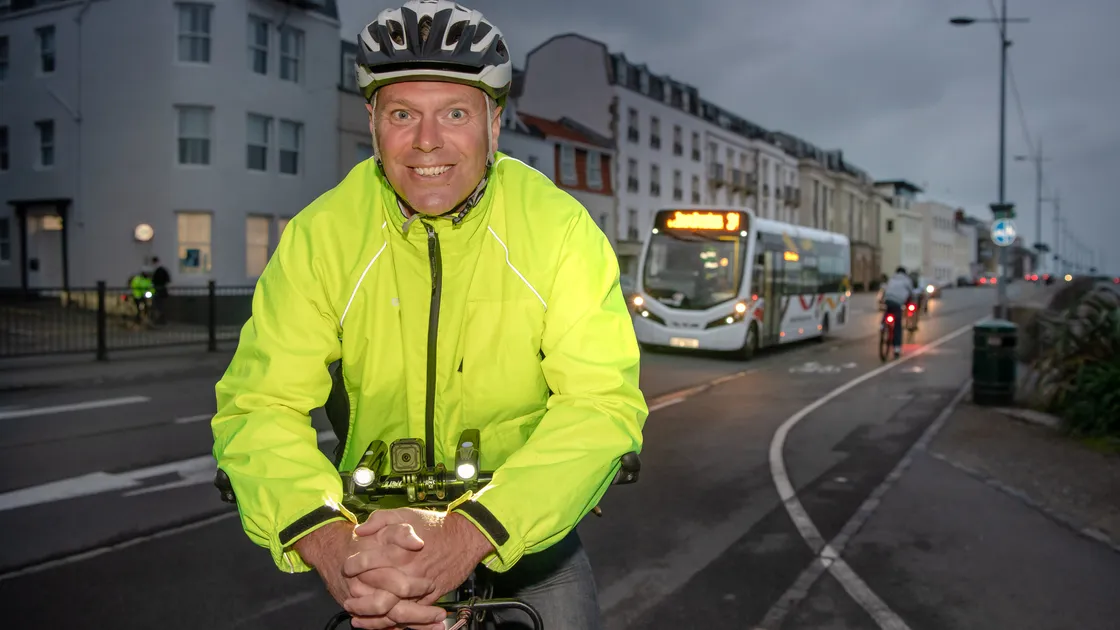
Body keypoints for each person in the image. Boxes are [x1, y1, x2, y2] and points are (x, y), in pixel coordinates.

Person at [209, 2, 648, 629]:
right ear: (373, 121)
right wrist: (331, 544)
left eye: (456, 113)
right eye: (402, 113)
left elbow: (601, 403)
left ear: (495, 124)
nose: (427, 141)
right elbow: (259, 405)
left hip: (517, 521)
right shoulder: (321, 235)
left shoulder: (560, 230)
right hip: (371, 533)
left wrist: (474, 532)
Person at [881, 266, 916, 358]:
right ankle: (896, 348)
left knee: (887, 310)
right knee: (897, 325)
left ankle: (882, 324)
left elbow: (885, 289)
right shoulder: (907, 280)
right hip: (898, 302)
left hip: (888, 299)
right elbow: (911, 292)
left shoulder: (892, 278)